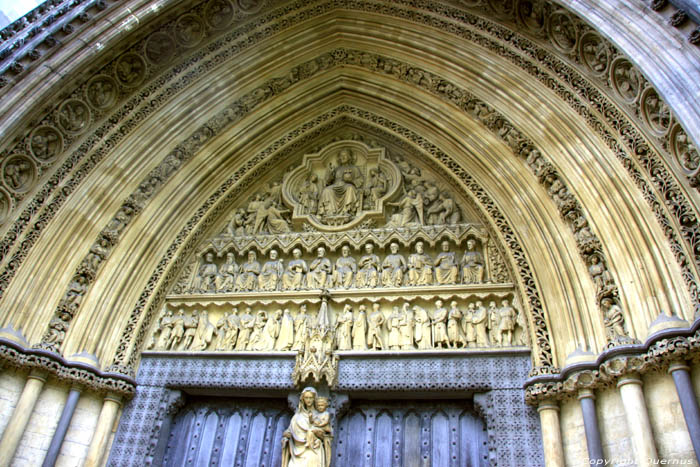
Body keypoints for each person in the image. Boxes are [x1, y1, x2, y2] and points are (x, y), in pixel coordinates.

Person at [281, 387, 328, 467]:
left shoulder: (319, 415)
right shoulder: (297, 417)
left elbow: (325, 434)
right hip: (296, 451)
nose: (308, 400)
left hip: (312, 450)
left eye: (311, 398)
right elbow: (289, 431)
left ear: (314, 399)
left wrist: (318, 437)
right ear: (303, 399)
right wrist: (286, 436)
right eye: (306, 398)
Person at [318, 149, 364, 218]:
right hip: (335, 186)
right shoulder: (336, 169)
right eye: (341, 156)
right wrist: (330, 172)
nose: (342, 157)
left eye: (344, 155)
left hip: (347, 185)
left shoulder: (354, 168)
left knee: (350, 188)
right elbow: (328, 182)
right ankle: (330, 211)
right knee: (326, 190)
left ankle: (347, 210)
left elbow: (360, 180)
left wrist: (351, 180)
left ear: (349, 157)